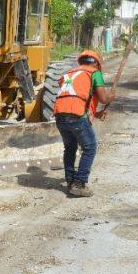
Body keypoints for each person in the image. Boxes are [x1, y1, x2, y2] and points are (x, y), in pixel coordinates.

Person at [53, 49, 115, 197]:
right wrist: (110, 97)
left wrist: (97, 113)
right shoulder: (94, 73)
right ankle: (79, 183)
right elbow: (103, 99)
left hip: (60, 115)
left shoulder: (68, 74)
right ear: (97, 64)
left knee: (70, 148)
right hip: (76, 116)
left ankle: (70, 180)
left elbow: (75, 97)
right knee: (90, 147)